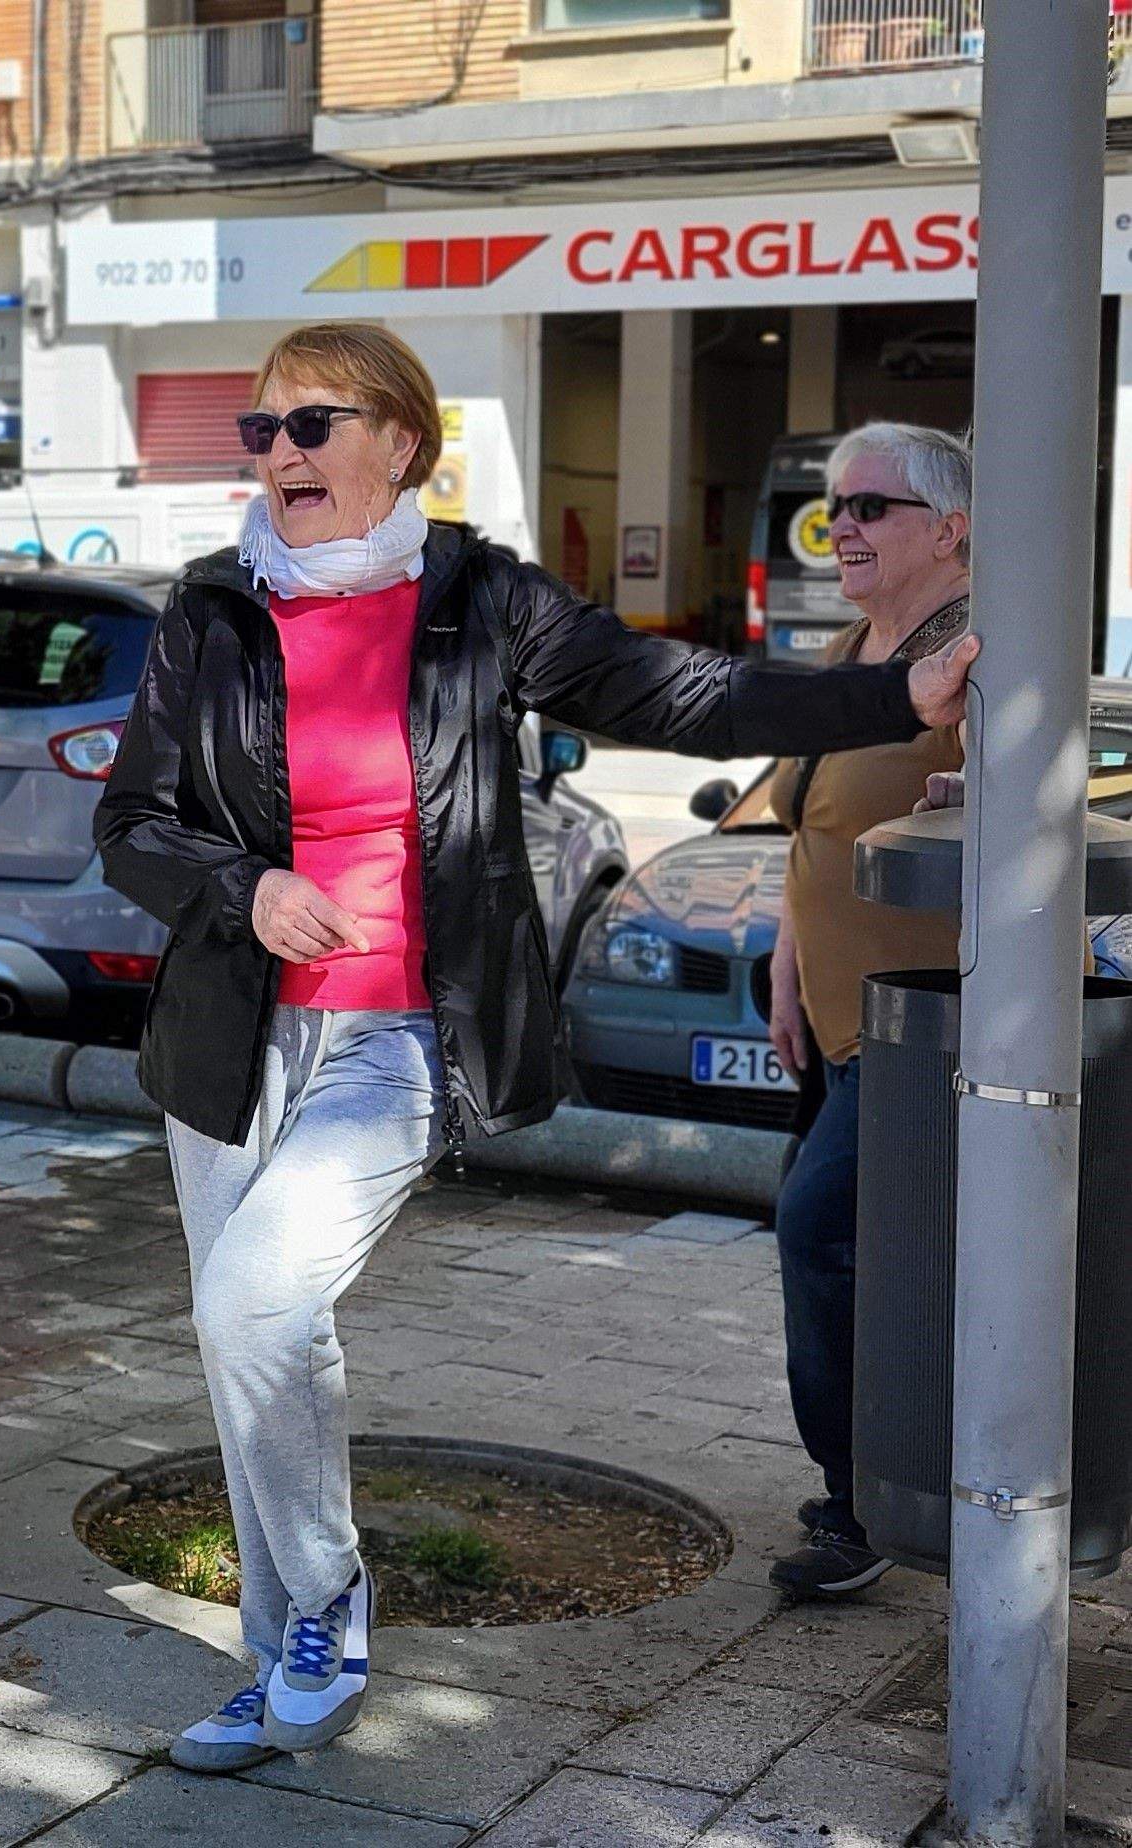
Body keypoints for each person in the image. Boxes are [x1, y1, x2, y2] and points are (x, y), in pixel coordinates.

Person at [93, 324, 977, 1774]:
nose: (281, 455)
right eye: (260, 433)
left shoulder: (476, 601)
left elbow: (674, 692)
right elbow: (128, 819)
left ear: (398, 440)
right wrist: (240, 886)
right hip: (227, 1039)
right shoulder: (211, 610)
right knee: (244, 1346)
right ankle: (284, 1649)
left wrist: (886, 699)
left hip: (391, 1033)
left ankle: (320, 1606)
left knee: (256, 1308)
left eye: (311, 424)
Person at [758, 423, 973, 1603]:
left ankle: (861, 1501)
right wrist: (787, 966)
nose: (837, 525)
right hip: (837, 1020)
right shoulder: (857, 643)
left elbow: (1062, 784)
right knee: (860, 1255)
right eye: (832, 507)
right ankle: (883, 1476)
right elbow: (812, 827)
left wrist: (977, 784)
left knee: (817, 1235)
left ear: (946, 529)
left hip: (924, 1025)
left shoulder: (983, 650)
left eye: (868, 507)